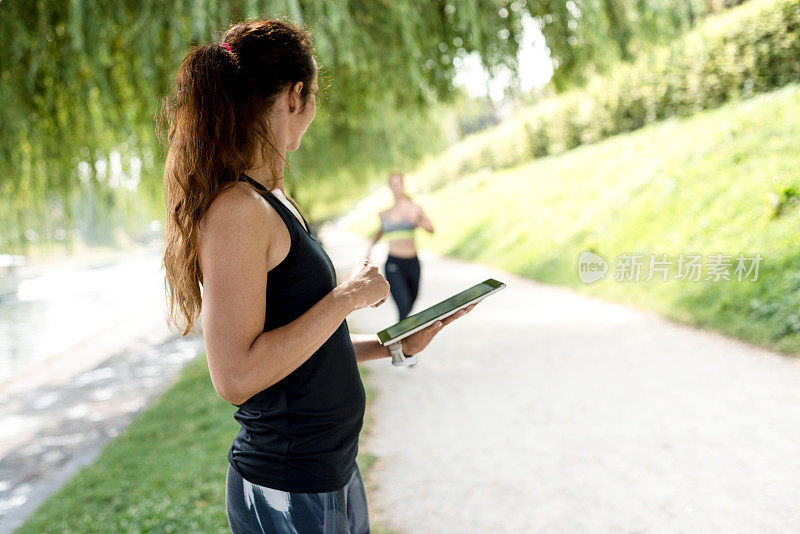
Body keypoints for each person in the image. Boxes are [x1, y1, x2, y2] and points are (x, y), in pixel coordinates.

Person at [159, 19, 476, 534]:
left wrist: (392, 344)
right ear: (295, 96)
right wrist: (346, 296)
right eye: (312, 101)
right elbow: (236, 377)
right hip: (288, 486)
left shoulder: (271, 200)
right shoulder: (237, 210)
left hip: (328, 473)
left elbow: (296, 348)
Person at [366, 172, 434, 322]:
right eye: (393, 184)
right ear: (389, 187)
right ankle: (401, 339)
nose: (396, 187)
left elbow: (431, 229)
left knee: (411, 300)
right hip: (394, 263)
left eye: (398, 184)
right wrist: (369, 251)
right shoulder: (385, 213)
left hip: (412, 262)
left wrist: (418, 220)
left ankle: (402, 334)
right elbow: (380, 233)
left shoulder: (415, 209)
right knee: (403, 306)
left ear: (403, 186)